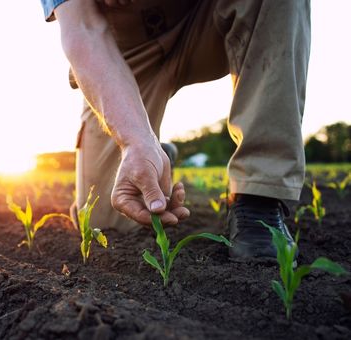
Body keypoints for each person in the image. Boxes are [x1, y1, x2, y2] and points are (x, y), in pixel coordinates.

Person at [39, 0, 311, 260]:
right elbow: (83, 30)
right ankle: (155, 154)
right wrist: (135, 142)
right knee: (107, 220)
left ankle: (258, 198)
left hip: (206, 19)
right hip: (125, 53)